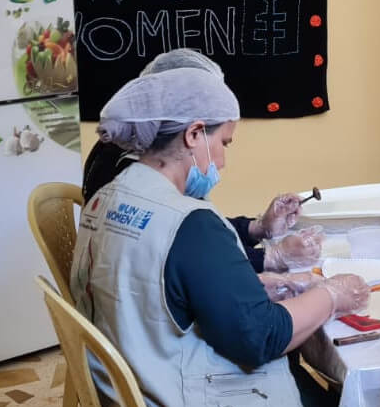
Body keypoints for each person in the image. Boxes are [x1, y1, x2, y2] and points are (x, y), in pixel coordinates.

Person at [70, 65, 370, 407]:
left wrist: (260, 284)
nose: (224, 160)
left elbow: (160, 292)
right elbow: (261, 337)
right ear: (193, 135)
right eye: (224, 142)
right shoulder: (190, 222)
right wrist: (333, 293)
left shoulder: (105, 199)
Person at [82, 49, 320, 277]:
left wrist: (257, 227)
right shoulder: (136, 171)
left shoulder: (142, 154)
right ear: (191, 130)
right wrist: (274, 257)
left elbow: (197, 235)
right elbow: (193, 253)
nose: (221, 162)